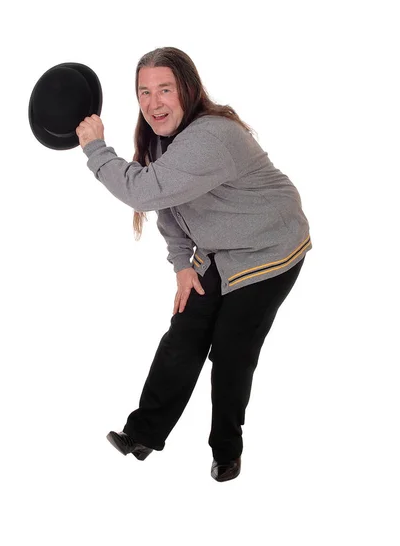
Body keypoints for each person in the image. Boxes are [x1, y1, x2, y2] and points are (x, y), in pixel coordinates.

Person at [75, 46, 312, 482]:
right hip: (220, 248)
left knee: (231, 350)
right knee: (185, 332)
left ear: (188, 89)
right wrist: (183, 264)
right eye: (144, 92)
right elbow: (167, 203)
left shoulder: (210, 136)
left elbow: (144, 192)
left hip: (268, 249)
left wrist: (96, 150)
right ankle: (143, 433)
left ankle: (226, 450)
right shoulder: (162, 137)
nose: (153, 102)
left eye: (164, 89)